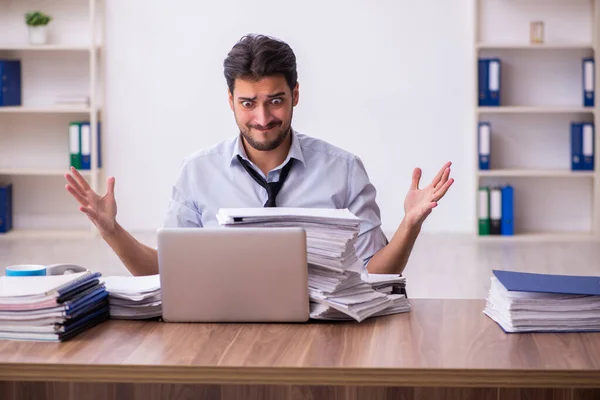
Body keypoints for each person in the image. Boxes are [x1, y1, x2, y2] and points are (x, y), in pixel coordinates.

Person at [65, 33, 454, 277]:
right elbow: (164, 276)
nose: (263, 118)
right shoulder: (197, 172)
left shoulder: (345, 170)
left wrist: (410, 224)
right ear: (230, 101)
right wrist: (110, 231)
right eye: (248, 103)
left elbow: (377, 274)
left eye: (276, 101)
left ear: (295, 96)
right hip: (222, 330)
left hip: (324, 332)